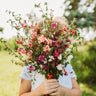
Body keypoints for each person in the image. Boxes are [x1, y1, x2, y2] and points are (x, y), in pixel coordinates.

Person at [18, 17, 81, 96]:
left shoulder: (65, 64)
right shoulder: (31, 67)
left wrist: (64, 92)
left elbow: (78, 93)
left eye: (58, 44)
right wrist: (38, 92)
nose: (53, 49)